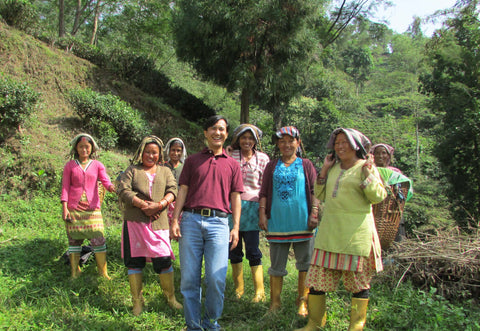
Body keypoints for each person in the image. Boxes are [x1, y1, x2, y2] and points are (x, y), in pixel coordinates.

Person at [296, 128, 387, 331]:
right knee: (318, 280)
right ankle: (315, 323)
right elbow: (320, 193)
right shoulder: (334, 166)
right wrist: (325, 170)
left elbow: (378, 197)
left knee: (358, 284)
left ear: (356, 145)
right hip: (329, 233)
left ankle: (356, 326)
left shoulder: (367, 166)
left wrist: (367, 175)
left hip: (356, 235)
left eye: (344, 142)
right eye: (337, 142)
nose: (340, 146)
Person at [170, 115, 243, 331]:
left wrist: (236, 226)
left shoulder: (232, 165)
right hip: (191, 221)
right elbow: (182, 190)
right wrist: (175, 219)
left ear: (227, 134)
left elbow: (236, 197)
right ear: (205, 132)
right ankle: (193, 326)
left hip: (220, 224)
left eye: (221, 129)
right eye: (213, 128)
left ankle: (211, 323)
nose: (217, 132)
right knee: (189, 279)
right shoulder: (192, 161)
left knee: (216, 278)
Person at [117, 135, 182, 316]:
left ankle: (170, 298)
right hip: (134, 223)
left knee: (163, 259)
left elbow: (173, 190)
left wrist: (159, 205)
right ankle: (137, 302)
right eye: (147, 152)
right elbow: (123, 190)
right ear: (141, 152)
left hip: (158, 223)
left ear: (160, 154)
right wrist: (142, 205)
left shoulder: (165, 171)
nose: (151, 156)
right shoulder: (132, 170)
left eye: (154, 152)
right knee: (134, 262)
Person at [258, 126, 319, 317]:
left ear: (298, 143)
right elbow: (265, 192)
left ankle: (303, 302)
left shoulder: (306, 164)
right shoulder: (271, 165)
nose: (286, 144)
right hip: (277, 223)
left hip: (303, 223)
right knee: (276, 264)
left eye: (291, 140)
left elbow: (315, 191)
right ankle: (275, 303)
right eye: (282, 141)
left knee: (305, 264)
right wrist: (262, 213)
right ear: (278, 144)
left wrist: (314, 212)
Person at [61, 133, 115, 279]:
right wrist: (64, 208)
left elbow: (105, 180)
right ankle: (74, 272)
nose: (84, 149)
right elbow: (65, 187)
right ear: (76, 148)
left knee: (98, 237)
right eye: (81, 147)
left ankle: (103, 272)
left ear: (92, 148)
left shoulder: (97, 165)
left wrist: (111, 187)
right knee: (74, 240)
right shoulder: (70, 166)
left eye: (87, 147)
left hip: (92, 209)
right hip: (74, 208)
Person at [227, 124, 270, 302]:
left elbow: (265, 187)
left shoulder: (263, 159)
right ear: (238, 139)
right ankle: (239, 289)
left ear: (256, 141)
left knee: (253, 249)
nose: (247, 141)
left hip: (253, 208)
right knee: (234, 249)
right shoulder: (231, 155)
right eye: (243, 138)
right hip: (232, 207)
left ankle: (259, 291)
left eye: (251, 138)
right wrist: (227, 151)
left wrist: (263, 211)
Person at [371, 143, 413, 243]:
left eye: (383, 153)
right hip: (373, 213)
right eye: (377, 153)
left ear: (388, 156)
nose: (380, 156)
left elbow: (402, 194)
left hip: (392, 214)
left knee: (395, 242)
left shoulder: (396, 173)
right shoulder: (368, 171)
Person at [164, 138, 188, 222]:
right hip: (164, 205)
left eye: (178, 151)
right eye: (173, 150)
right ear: (168, 150)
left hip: (181, 207)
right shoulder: (162, 167)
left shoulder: (186, 168)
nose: (175, 153)